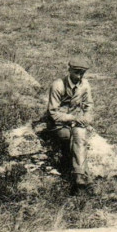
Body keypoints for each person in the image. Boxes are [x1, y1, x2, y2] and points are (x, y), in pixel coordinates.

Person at [45, 57, 94, 193]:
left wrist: (86, 118)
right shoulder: (58, 85)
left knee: (80, 134)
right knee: (70, 138)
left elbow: (89, 105)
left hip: (75, 120)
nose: (80, 76)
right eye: (77, 72)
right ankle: (86, 176)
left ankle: (78, 176)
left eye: (82, 73)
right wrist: (74, 118)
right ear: (70, 70)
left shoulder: (85, 85)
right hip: (58, 124)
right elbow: (53, 113)